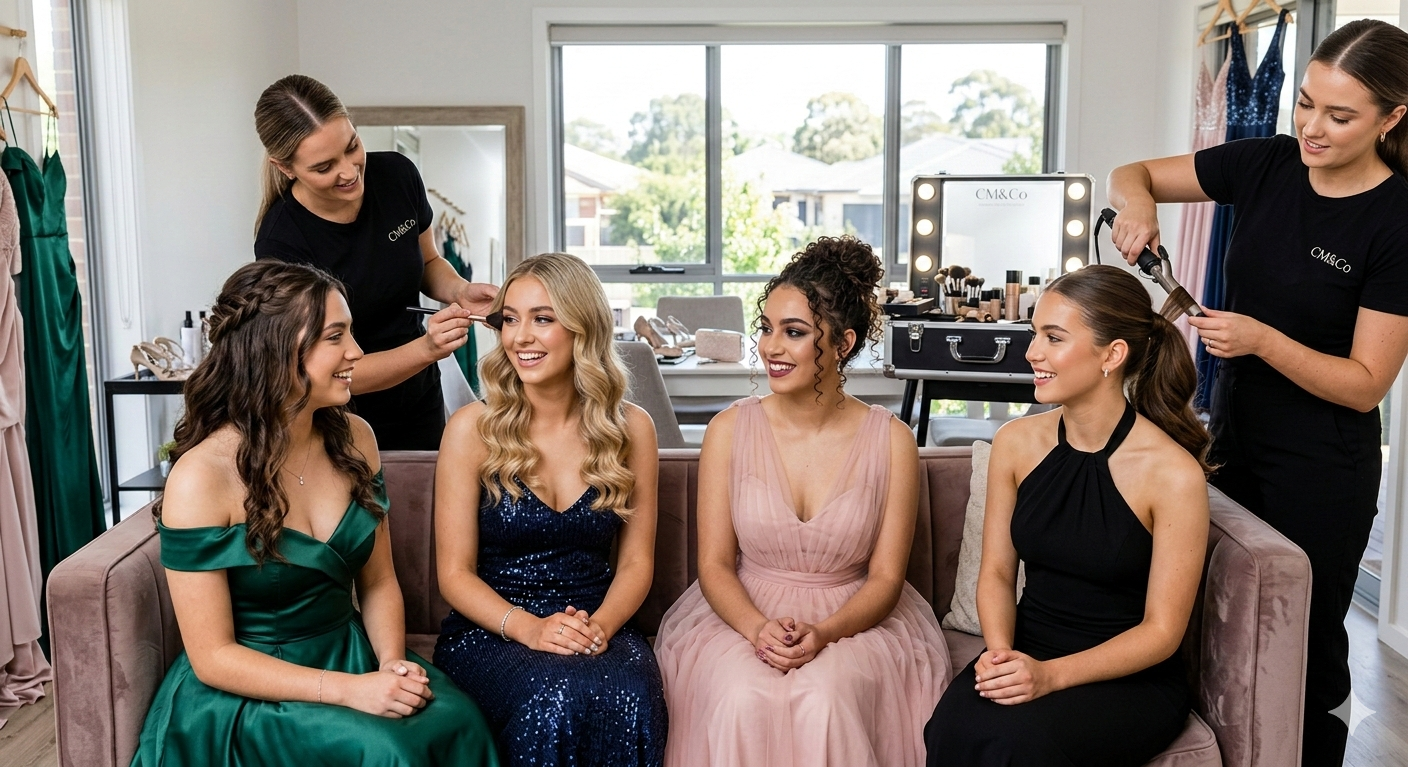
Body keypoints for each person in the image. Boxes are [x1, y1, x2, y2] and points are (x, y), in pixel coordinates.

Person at [1106, 20, 1408, 765]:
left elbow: (1368, 383)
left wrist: (1265, 340)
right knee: (1221, 622)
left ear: (1391, 119)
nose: (1310, 126)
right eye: (1305, 104)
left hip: (1323, 465)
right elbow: (1131, 173)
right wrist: (1138, 204)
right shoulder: (1267, 164)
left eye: (1339, 116)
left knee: (1297, 647)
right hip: (1232, 437)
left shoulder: (1396, 220)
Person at [130, 261, 498, 766]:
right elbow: (213, 657)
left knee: (459, 721)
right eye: (336, 336)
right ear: (275, 350)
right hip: (251, 689)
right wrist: (351, 692)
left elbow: (378, 583)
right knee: (385, 751)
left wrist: (391, 663)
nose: (357, 353)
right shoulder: (201, 477)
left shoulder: (356, 439)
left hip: (349, 653)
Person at [652, 237, 949, 767]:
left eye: (794, 333)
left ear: (842, 343)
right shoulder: (727, 431)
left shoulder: (892, 440)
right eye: (766, 328)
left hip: (851, 618)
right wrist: (757, 630)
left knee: (825, 700)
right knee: (742, 698)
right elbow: (716, 565)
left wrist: (825, 633)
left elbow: (885, 579)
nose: (770, 347)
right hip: (744, 611)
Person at [924, 265, 1211, 766]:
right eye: (1035, 333)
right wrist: (999, 655)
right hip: (1026, 648)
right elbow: (994, 572)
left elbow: (1162, 633)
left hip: (1127, 677)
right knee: (950, 728)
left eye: (1053, 338)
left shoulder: (1173, 475)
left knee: (1020, 747)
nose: (1032, 352)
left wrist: (1051, 676)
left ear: (1112, 355)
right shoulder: (1015, 443)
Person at [432, 252, 667, 766]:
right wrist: (531, 629)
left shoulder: (633, 429)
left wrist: (599, 627)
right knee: (553, 698)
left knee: (631, 696)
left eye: (542, 319)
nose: (519, 337)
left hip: (597, 622)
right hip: (493, 629)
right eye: (509, 319)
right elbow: (453, 574)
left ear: (583, 328)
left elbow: (635, 563)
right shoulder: (472, 429)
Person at [253, 74, 497, 450]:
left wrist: (460, 290)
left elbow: (429, 260)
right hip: (337, 417)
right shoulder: (282, 243)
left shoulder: (397, 176)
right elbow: (326, 370)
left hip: (419, 398)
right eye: (324, 167)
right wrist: (427, 349)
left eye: (352, 146)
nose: (350, 172)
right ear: (286, 168)